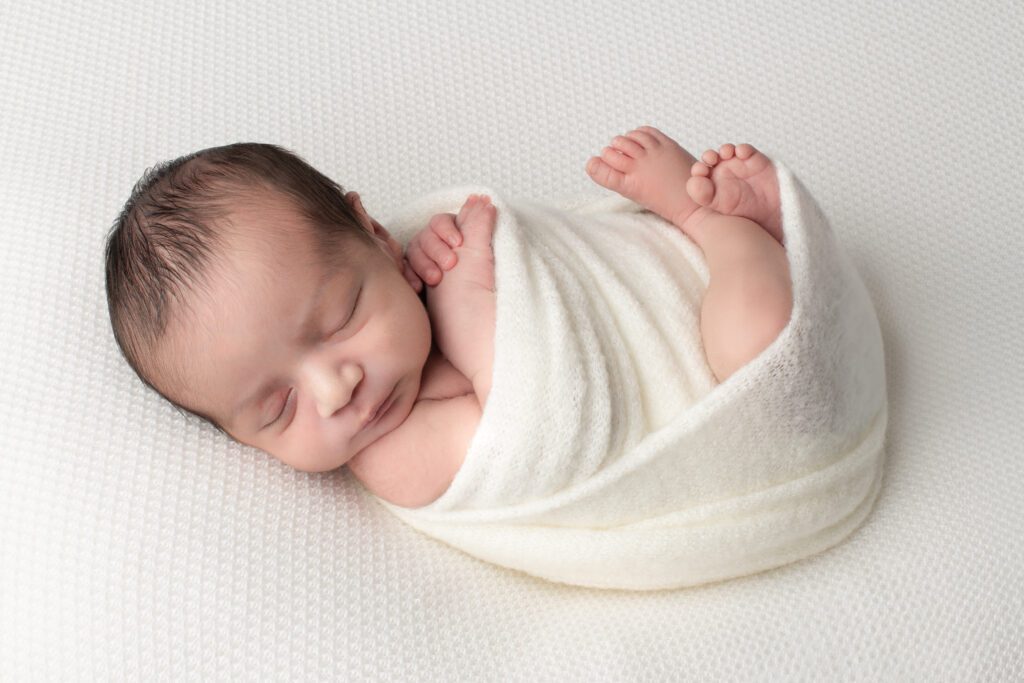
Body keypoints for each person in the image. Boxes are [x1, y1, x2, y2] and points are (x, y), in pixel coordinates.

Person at [103, 125, 791, 508]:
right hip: (712, 390)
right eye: (278, 408)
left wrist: (446, 258)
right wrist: (466, 308)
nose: (335, 389)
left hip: (642, 285)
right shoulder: (395, 457)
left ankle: (688, 226)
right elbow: (542, 429)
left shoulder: (412, 264)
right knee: (757, 345)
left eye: (342, 315)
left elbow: (544, 260)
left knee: (712, 301)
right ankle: (717, 224)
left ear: (375, 236)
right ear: (242, 438)